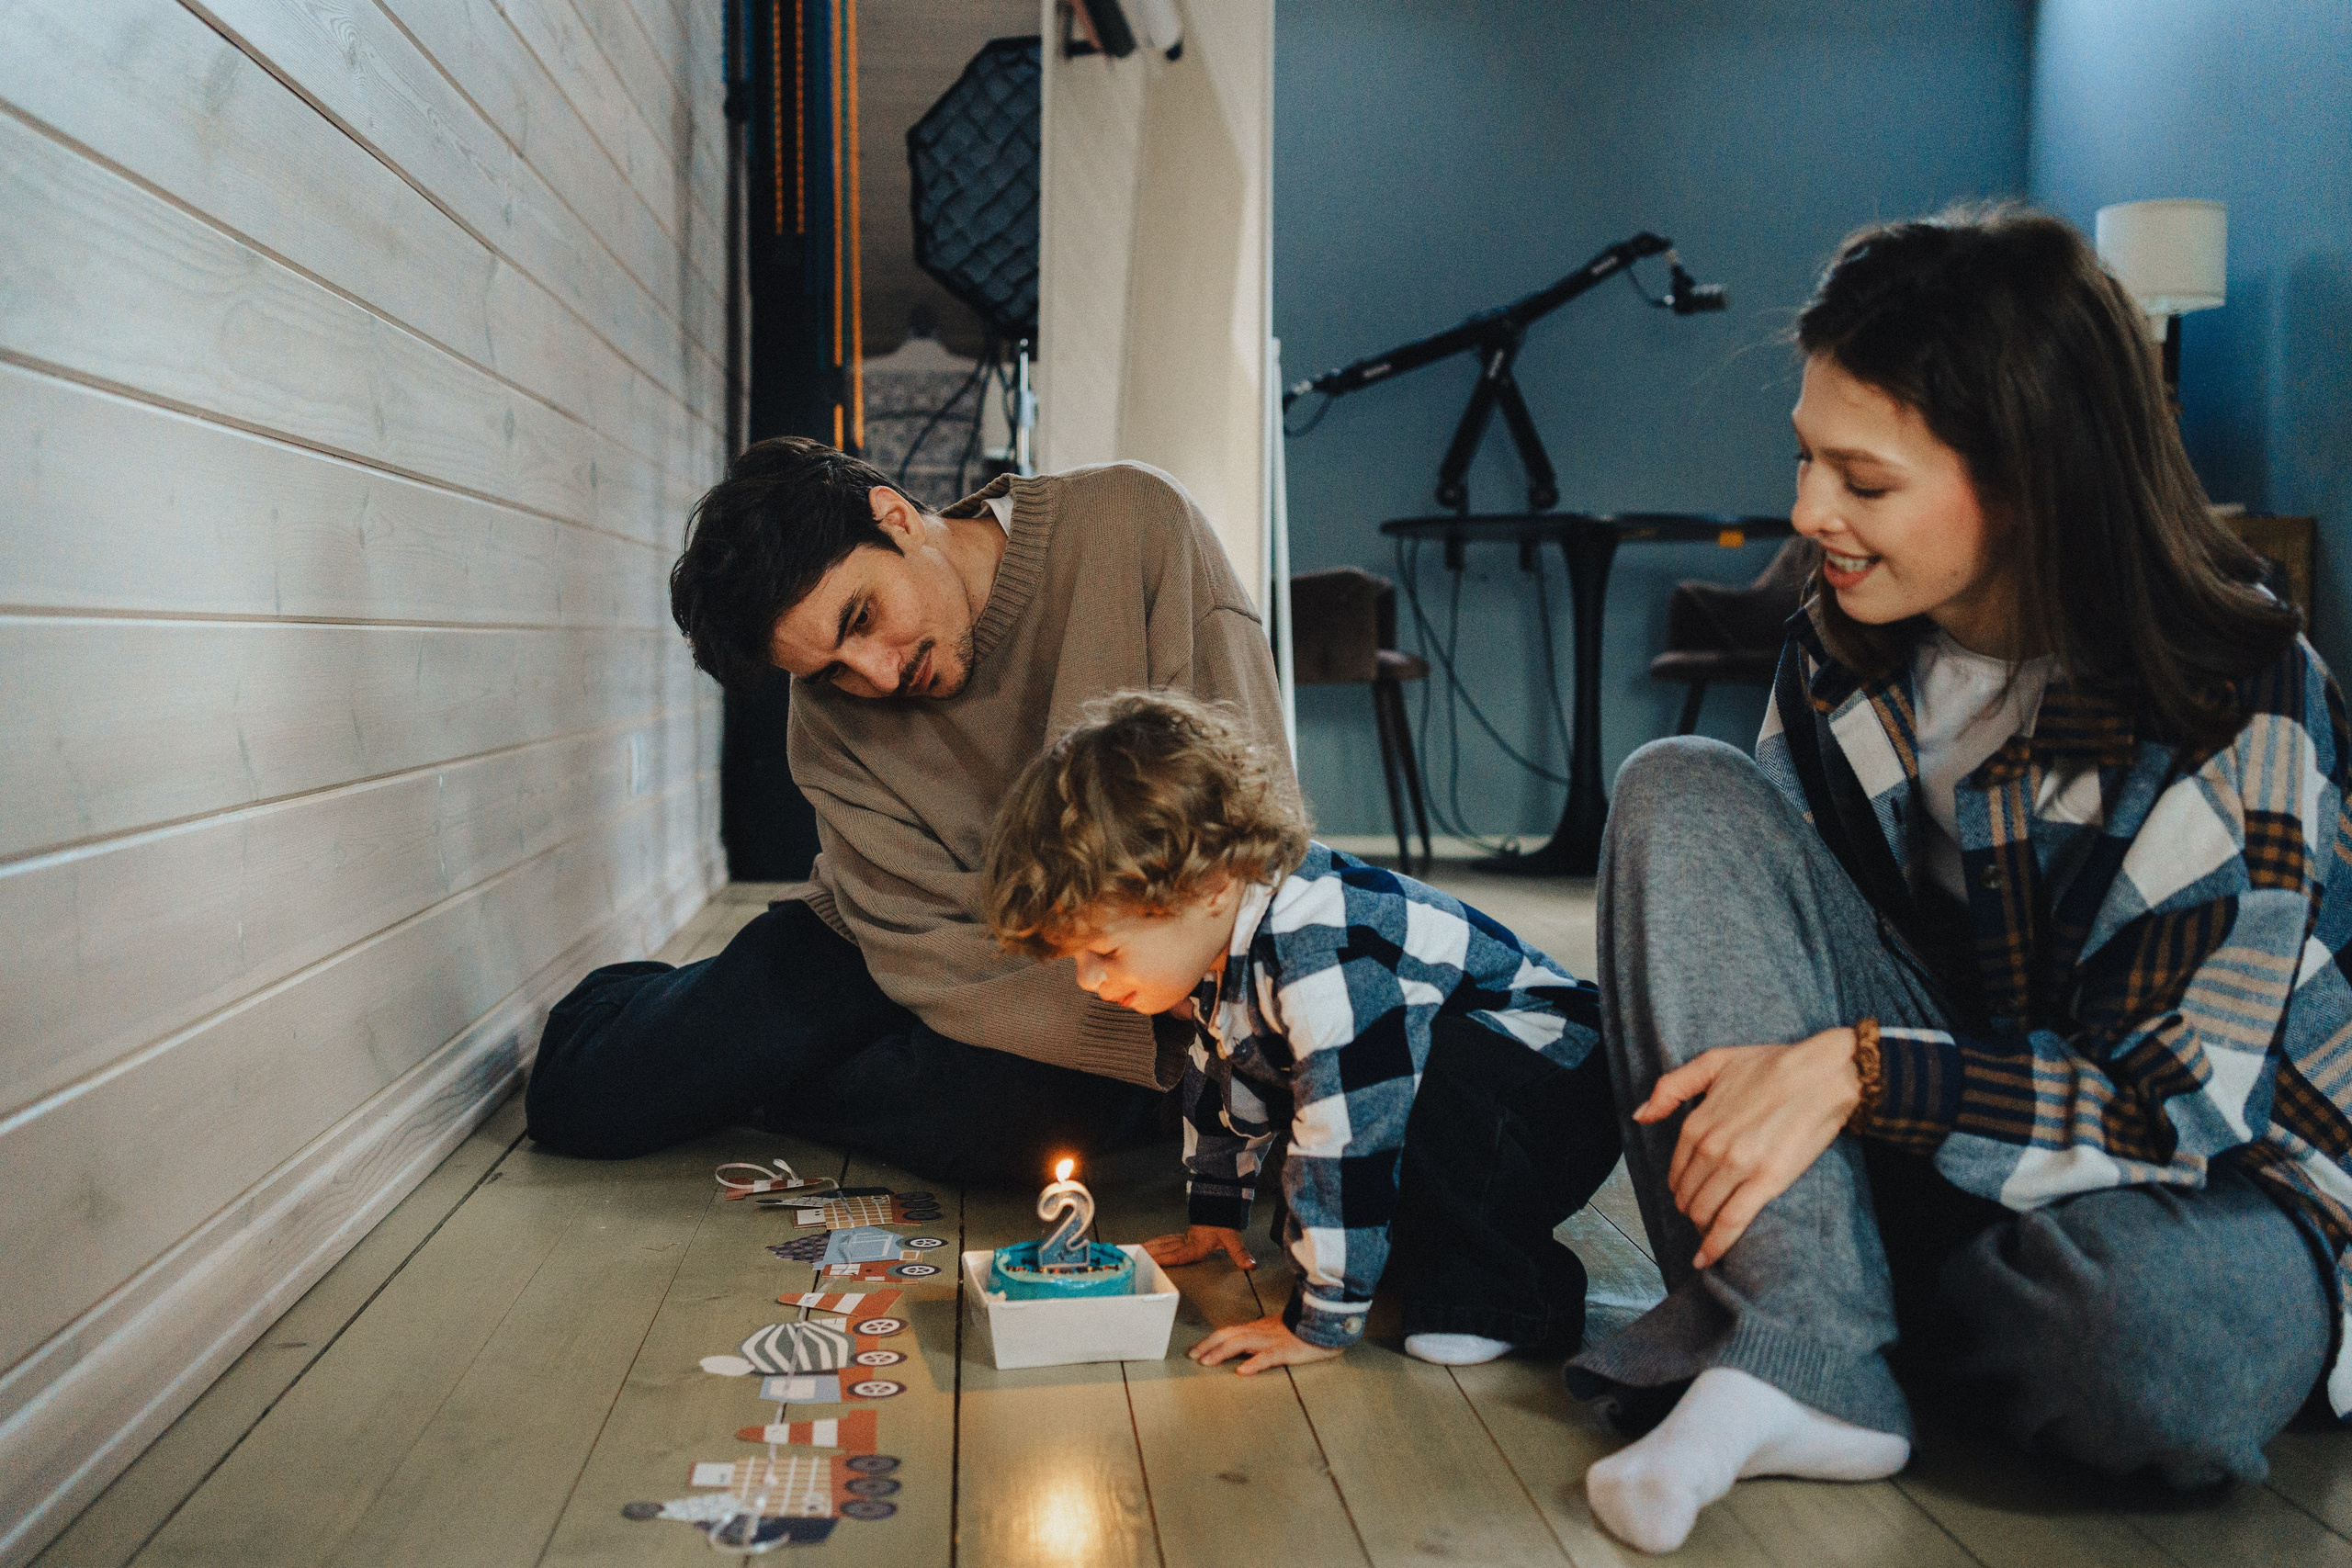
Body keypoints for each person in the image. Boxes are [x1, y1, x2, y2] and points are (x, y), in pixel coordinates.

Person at [1566, 205, 2346, 1554]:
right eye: (1808, 458)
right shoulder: (1839, 637)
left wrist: (1867, 1071)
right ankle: (1814, 1346)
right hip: (1954, 1120)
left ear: (2032, 480)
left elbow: (2176, 1103)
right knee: (1676, 791)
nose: (1810, 512)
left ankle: (1838, 1314)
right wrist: (1845, 1065)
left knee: (2151, 1338)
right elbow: (1766, 947)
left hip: (2206, 1173)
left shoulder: (2238, 686)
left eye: (1863, 484)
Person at [525, 440, 1293, 1181]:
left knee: (1002, 1124)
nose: (877, 677)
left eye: (860, 618)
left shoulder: (1138, 524)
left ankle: (786, 1076)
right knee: (584, 1103)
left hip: (1107, 967)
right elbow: (903, 929)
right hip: (892, 940)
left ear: (895, 516)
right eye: (829, 671)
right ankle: (685, 1017)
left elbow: (1258, 825)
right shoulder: (830, 703)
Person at [981, 691, 1623, 1371]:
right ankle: (1432, 1254)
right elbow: (1222, 1079)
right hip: (1457, 1107)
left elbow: (1348, 1130)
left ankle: (1512, 1298)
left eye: (1104, 953)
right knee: (1318, 1189)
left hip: (1558, 1089)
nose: (1086, 979)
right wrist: (1216, 1209)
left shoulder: (1317, 950)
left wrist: (1318, 1322)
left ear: (1209, 888)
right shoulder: (1222, 954)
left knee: (1375, 1111)